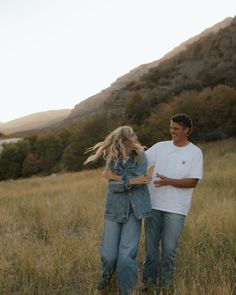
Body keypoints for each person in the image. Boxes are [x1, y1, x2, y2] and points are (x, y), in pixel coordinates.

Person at [84, 125, 152, 295]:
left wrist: (116, 178)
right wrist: (129, 181)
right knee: (108, 255)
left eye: (134, 134)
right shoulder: (112, 159)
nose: (135, 137)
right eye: (131, 135)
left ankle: (128, 291)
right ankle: (106, 281)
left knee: (126, 256)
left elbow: (139, 179)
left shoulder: (140, 156)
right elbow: (120, 185)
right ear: (123, 140)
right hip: (114, 209)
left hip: (133, 210)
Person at [142, 113, 203, 294]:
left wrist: (169, 181)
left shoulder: (195, 152)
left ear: (187, 130)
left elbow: (193, 181)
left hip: (176, 208)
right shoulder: (160, 147)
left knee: (169, 250)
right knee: (150, 250)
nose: (172, 131)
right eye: (171, 127)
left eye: (176, 128)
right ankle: (148, 285)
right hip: (153, 205)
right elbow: (139, 162)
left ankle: (166, 286)